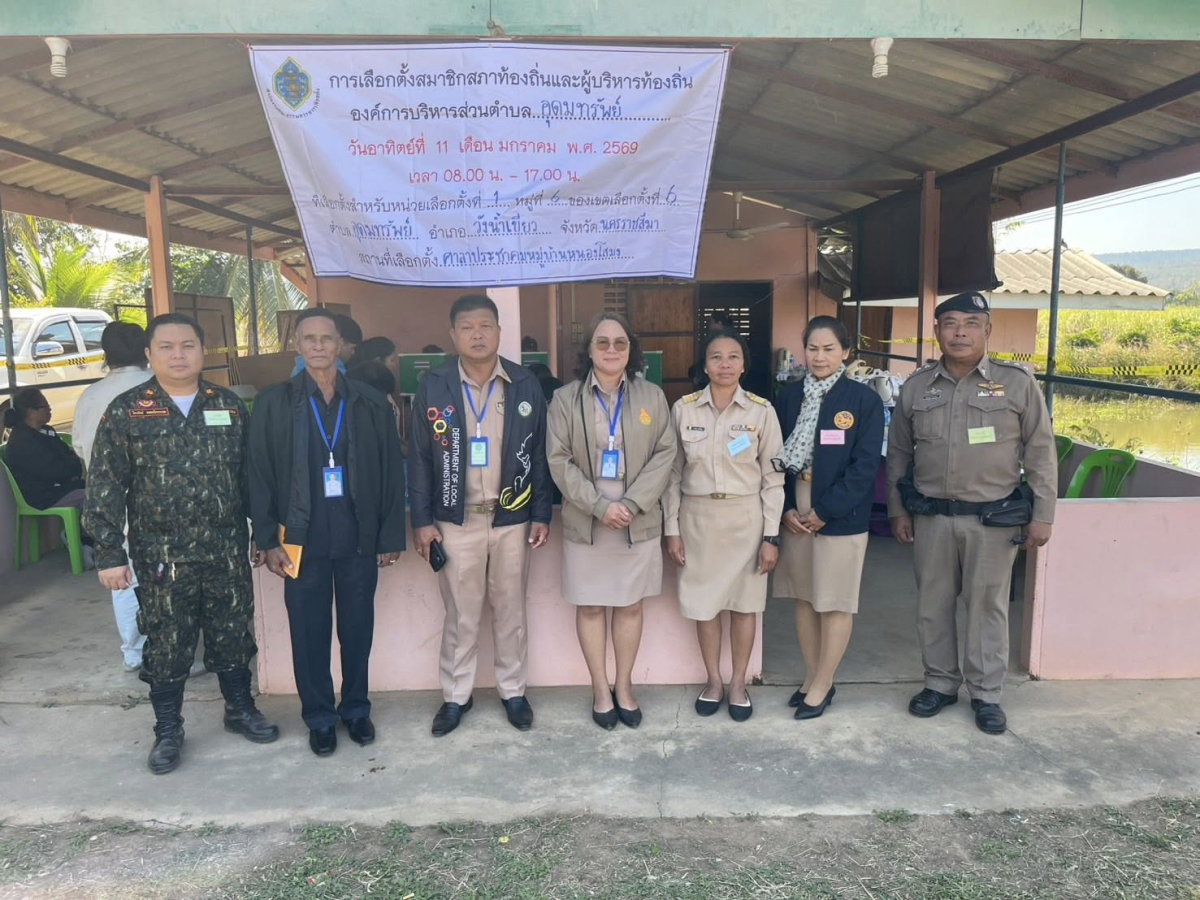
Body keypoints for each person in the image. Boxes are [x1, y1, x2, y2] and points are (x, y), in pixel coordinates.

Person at [84, 313, 277, 774]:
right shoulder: (128, 410)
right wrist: (109, 554)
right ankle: (168, 729)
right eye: (166, 347)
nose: (178, 355)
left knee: (232, 633)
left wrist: (265, 534)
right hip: (161, 557)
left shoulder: (228, 406)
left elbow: (252, 478)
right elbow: (105, 485)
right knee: (168, 643)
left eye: (187, 346)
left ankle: (239, 709)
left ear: (202, 351)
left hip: (225, 549)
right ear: (149, 354)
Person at [886, 292, 1057, 736]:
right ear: (937, 331)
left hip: (993, 521)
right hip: (932, 518)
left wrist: (1043, 513)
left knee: (987, 607)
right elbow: (899, 454)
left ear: (987, 330)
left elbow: (1040, 451)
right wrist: (897, 509)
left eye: (971, 323)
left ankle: (986, 693)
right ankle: (939, 683)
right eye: (950, 323)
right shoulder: (917, 387)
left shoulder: (1016, 384)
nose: (960, 332)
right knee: (932, 605)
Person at [249, 308, 406, 757]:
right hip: (300, 539)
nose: (318, 346)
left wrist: (389, 536)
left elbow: (390, 471)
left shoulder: (369, 402)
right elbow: (258, 473)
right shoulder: (274, 403)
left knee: (357, 630)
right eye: (309, 338)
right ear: (297, 345)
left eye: (327, 338)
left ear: (341, 346)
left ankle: (356, 709)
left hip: (358, 536)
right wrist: (267, 540)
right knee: (308, 634)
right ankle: (319, 718)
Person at [409, 294, 552, 736]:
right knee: (461, 614)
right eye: (467, 327)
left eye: (485, 326)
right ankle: (456, 696)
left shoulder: (524, 383)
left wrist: (542, 513)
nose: (477, 334)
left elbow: (540, 452)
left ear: (499, 332)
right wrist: (422, 521)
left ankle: (513, 691)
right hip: (455, 520)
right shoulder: (434, 385)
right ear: (453, 335)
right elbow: (419, 456)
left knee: (511, 610)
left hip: (512, 518)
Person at [547, 313, 676, 730]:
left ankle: (624, 686)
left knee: (630, 605)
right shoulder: (564, 400)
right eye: (602, 342)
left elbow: (665, 453)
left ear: (630, 350)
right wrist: (600, 506)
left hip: (637, 520)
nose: (611, 350)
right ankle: (600, 689)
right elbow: (558, 461)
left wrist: (633, 504)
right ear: (588, 350)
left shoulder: (652, 396)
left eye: (620, 343)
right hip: (588, 520)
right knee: (590, 606)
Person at [663, 329, 784, 722]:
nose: (725, 364)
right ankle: (713, 681)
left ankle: (737, 684)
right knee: (705, 607)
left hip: (745, 521)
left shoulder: (761, 412)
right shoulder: (684, 410)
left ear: (744, 365)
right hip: (697, 520)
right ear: (705, 365)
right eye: (716, 357)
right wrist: (671, 529)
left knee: (745, 607)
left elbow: (773, 478)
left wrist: (771, 536)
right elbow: (671, 474)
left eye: (733, 357)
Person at [772, 317, 885, 720]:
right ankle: (811, 676)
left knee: (835, 601)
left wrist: (825, 511)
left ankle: (824, 683)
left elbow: (865, 466)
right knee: (804, 597)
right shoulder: (789, 397)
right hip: (796, 508)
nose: (819, 357)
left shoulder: (862, 400)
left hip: (840, 512)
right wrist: (786, 507)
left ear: (846, 352)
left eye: (829, 349)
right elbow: (773, 458)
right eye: (813, 348)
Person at [73, 321, 152, 672]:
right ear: (147, 350)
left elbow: (80, 448)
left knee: (123, 577)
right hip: (160, 499)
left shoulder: (90, 396)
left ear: (106, 354)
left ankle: (135, 652)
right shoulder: (159, 387)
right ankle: (171, 650)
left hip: (109, 500)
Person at [2, 388, 95, 568]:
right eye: (45, 407)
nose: (50, 410)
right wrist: (71, 466)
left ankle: (84, 541)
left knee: (95, 490)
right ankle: (83, 542)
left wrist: (71, 465)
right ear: (31, 411)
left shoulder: (46, 431)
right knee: (94, 496)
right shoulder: (23, 441)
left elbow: (69, 457)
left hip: (60, 487)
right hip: (41, 495)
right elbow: (56, 470)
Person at [290, 312, 361, 376]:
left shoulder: (299, 366)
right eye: (352, 348)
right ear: (339, 344)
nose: (353, 352)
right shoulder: (334, 371)